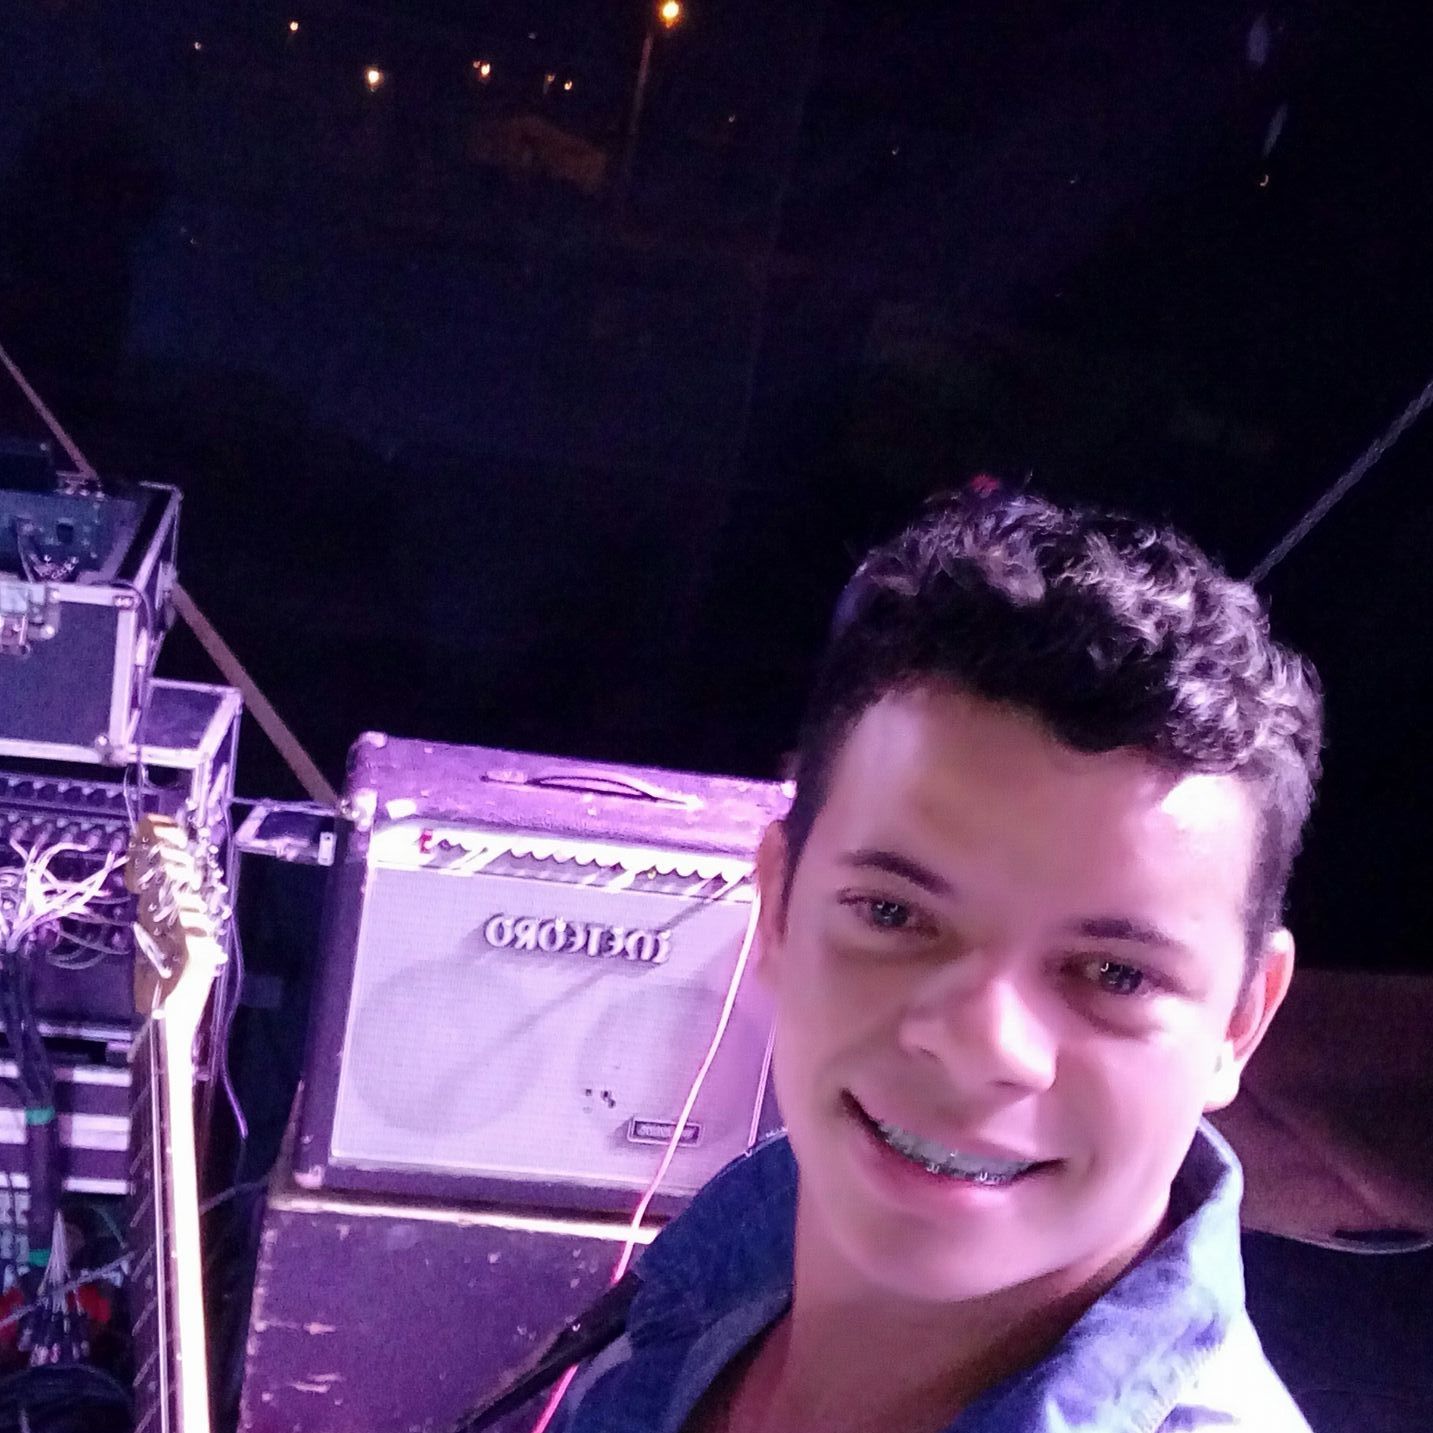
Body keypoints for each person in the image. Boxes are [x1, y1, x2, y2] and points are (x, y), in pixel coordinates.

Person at [553, 488, 1323, 1433]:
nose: (980, 1044)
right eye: (893, 913)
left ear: (1239, 1022)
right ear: (777, 907)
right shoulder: (709, 1286)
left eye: (1114, 973)